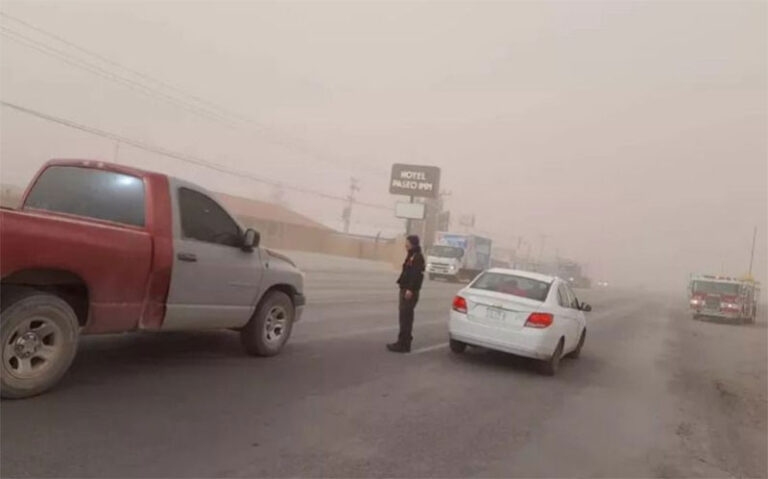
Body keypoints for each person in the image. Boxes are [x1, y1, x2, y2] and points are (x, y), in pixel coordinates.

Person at [387, 235, 425, 353]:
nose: (405, 245)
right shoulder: (412, 255)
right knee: (404, 317)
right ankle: (402, 341)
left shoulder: (417, 257)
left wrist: (410, 289)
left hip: (409, 291)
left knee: (406, 318)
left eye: (407, 242)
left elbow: (416, 274)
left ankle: (404, 344)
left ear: (412, 243)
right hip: (405, 288)